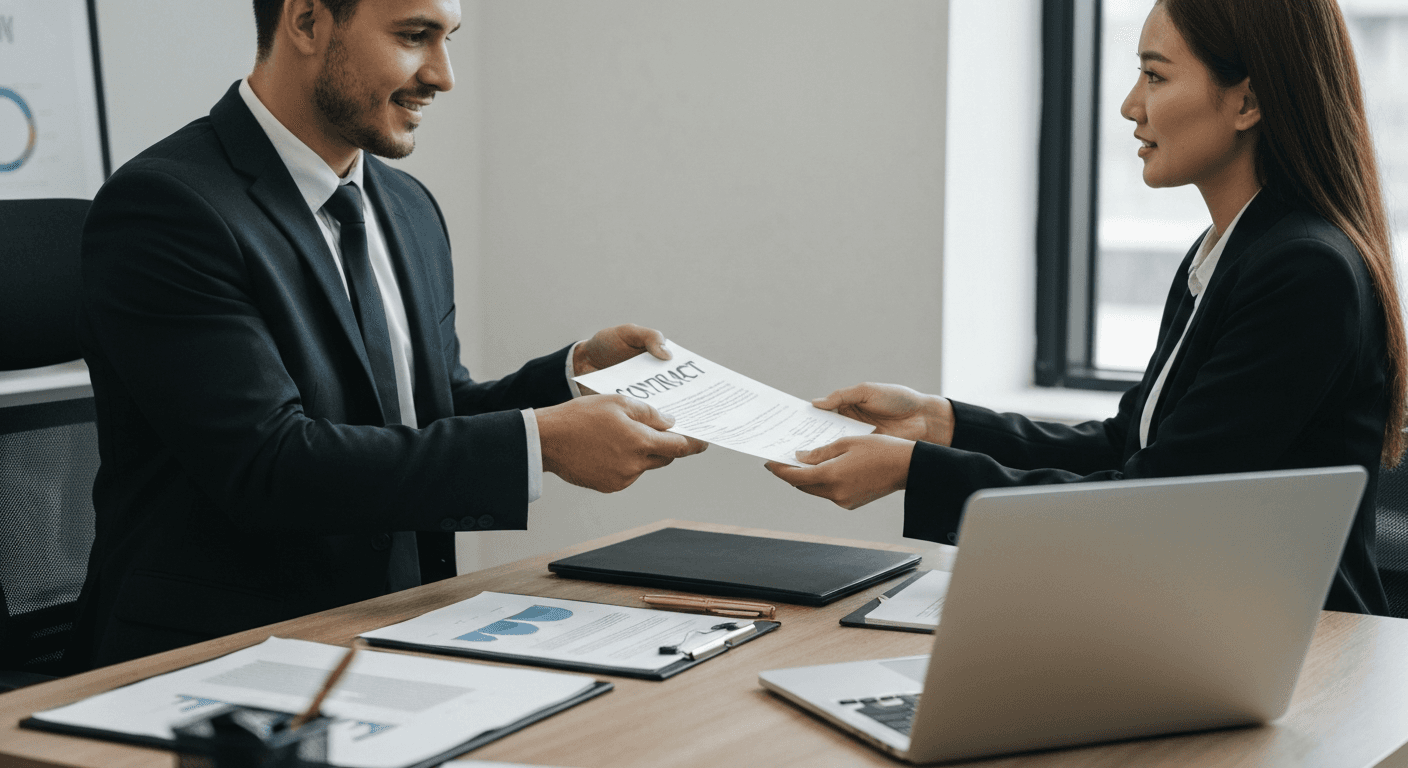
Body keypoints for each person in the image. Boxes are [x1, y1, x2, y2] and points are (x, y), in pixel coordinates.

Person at [71, 0, 705, 669]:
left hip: (397, 633)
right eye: (413, 36)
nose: (444, 74)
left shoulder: (407, 208)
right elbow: (270, 466)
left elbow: (421, 416)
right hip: (216, 661)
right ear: (308, 21)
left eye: (448, 39)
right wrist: (542, 443)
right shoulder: (168, 208)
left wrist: (572, 376)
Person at [768, 0, 1404, 616]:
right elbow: (1127, 447)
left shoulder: (1303, 271)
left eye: (1154, 75)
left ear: (1249, 102)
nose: (1131, 106)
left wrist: (917, 471)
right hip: (1207, 621)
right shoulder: (1228, 250)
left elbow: (1158, 505)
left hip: (1301, 651)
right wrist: (938, 423)